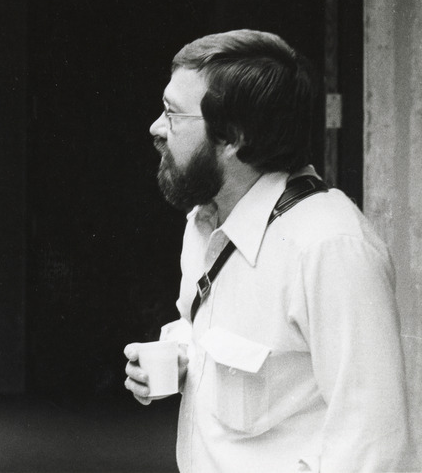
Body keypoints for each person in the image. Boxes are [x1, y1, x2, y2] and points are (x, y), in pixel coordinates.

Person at [124, 29, 416, 472]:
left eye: (172, 113)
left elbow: (374, 450)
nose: (156, 127)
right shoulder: (206, 223)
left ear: (233, 137)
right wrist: (182, 357)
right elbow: (228, 341)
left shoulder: (330, 248)